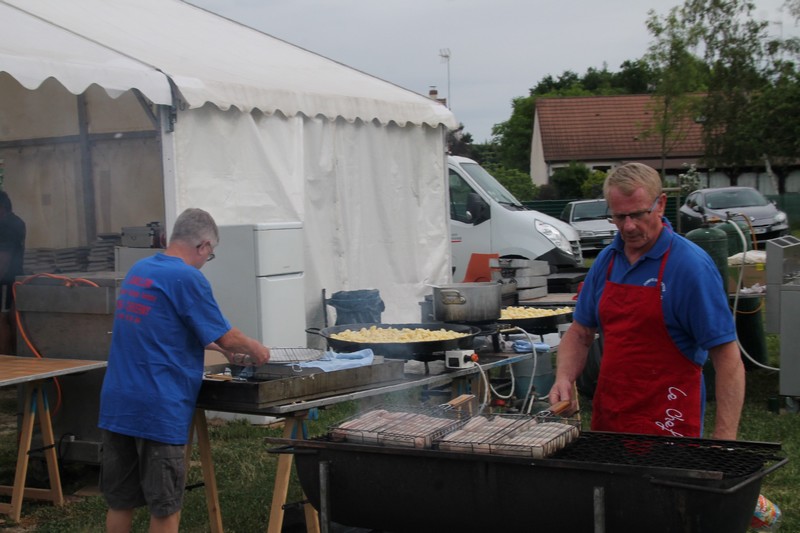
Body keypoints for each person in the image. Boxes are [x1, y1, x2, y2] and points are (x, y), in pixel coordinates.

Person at [98, 208, 271, 533]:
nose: (208, 259)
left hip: (118, 401)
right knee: (165, 508)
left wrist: (221, 350)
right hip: (158, 406)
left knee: (120, 502)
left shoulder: (140, 270)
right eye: (212, 254)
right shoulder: (187, 277)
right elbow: (228, 334)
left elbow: (162, 329)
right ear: (204, 245)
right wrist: (255, 348)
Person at [549, 163, 745, 440]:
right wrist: (564, 379)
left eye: (638, 214)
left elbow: (727, 357)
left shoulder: (690, 266)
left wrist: (725, 437)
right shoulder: (607, 260)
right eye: (619, 217)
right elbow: (581, 333)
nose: (628, 226)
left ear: (661, 204)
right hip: (612, 418)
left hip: (670, 420)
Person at [0, 191, 25, 355]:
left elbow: (4, 259)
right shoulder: (17, 221)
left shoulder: (6, 226)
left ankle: (4, 367)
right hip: (13, 280)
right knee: (11, 320)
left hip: (4, 282)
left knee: (2, 321)